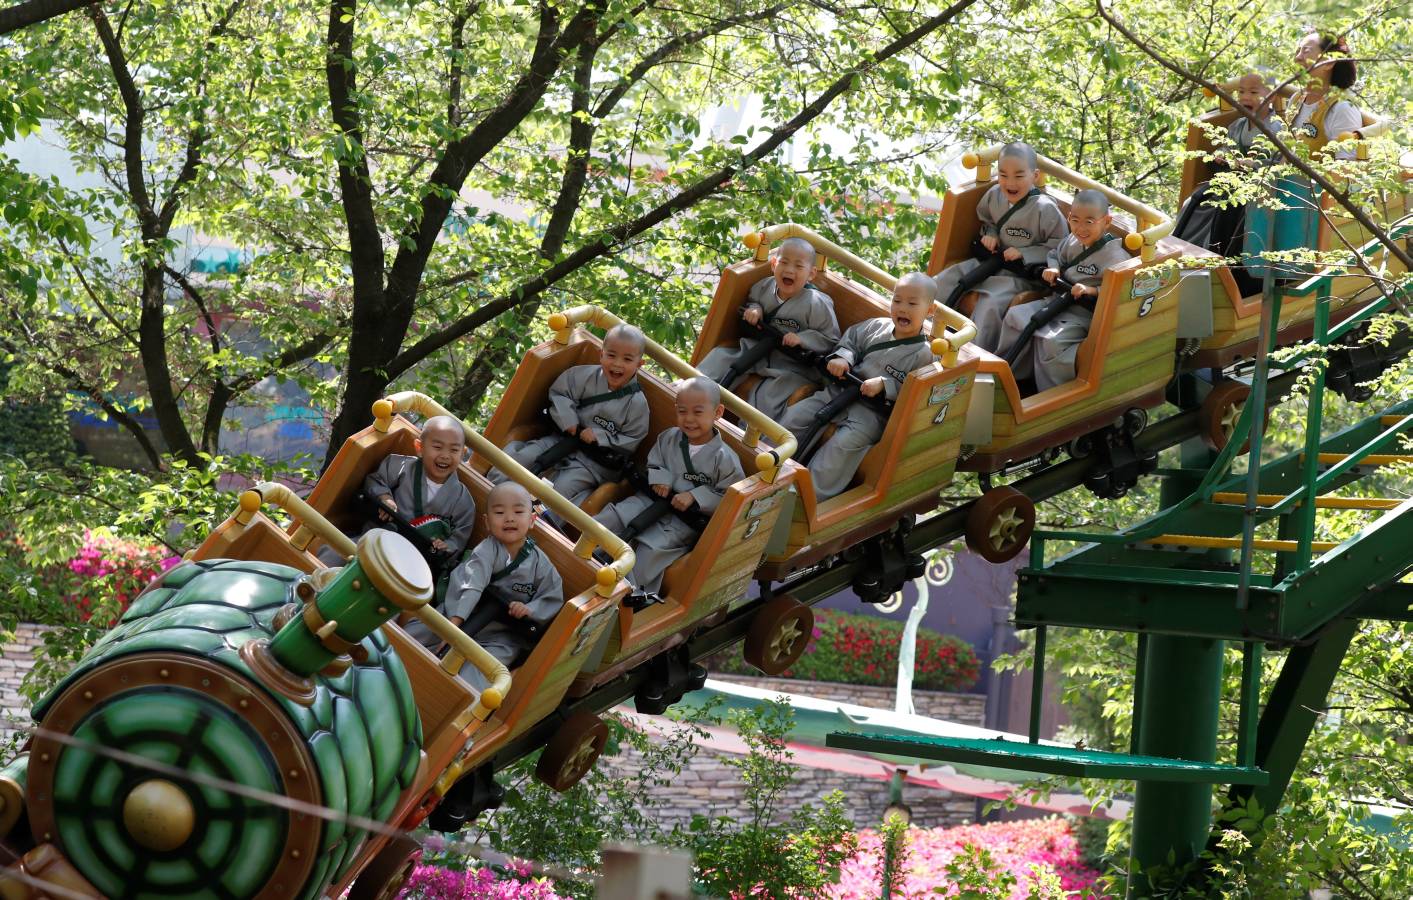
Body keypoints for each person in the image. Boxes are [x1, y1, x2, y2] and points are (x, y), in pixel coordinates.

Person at [780, 272, 939, 501]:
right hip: (840, 392)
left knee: (842, 447)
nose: (903, 309)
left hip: (871, 413)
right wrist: (844, 357)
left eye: (912, 303)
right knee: (796, 416)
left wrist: (886, 385)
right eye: (897, 301)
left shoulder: (925, 354)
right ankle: (768, 469)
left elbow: (916, 392)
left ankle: (805, 499)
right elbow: (851, 341)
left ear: (930, 310)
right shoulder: (876, 327)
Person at [592, 377, 744, 595]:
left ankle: (629, 594)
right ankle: (582, 559)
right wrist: (660, 477)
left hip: (681, 522)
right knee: (612, 518)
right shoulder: (669, 438)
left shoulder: (725, 459)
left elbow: (729, 497)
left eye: (698, 412)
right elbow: (655, 462)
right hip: (649, 501)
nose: (689, 419)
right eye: (682, 412)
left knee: (648, 551)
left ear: (718, 412)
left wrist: (695, 496)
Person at [406, 481, 564, 690]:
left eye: (518, 512)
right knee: (415, 635)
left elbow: (552, 596)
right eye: (499, 513)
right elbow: (472, 584)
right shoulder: (486, 550)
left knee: (478, 675)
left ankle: (452, 699)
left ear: (532, 520)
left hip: (501, 635)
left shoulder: (541, 564)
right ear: (487, 522)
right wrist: (454, 624)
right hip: (461, 615)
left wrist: (529, 609)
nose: (509, 518)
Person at [491, 323, 651, 510]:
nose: (617, 364)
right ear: (601, 354)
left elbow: (632, 438)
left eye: (627, 359)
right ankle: (489, 490)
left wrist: (600, 436)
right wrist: (569, 420)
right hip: (561, 439)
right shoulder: (583, 376)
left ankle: (535, 522)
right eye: (611, 355)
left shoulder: (638, 405)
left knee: (560, 491)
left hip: (591, 463)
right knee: (523, 458)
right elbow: (560, 393)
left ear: (639, 364)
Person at [932, 142, 1067, 352]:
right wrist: (991, 235)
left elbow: (1059, 245)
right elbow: (989, 221)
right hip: (991, 262)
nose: (1010, 183)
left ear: (1035, 176)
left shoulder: (1045, 208)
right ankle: (923, 333)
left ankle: (972, 355)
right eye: (1003, 175)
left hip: (1020, 275)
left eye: (1019, 176)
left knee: (990, 305)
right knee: (945, 280)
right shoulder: (994, 195)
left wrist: (1025, 252)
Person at [997, 190, 1132, 392]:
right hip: (1056, 301)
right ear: (1069, 217)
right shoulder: (1072, 241)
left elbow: (1119, 290)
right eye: (1075, 220)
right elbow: (1054, 254)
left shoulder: (1116, 256)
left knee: (1052, 342)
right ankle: (1009, 376)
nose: (1081, 228)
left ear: (1106, 221)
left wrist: (1092, 290)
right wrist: (1053, 268)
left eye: (1089, 222)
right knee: (1016, 316)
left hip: (1082, 315)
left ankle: (1049, 392)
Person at [696, 236, 841, 420]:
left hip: (792, 366)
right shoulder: (764, 286)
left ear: (811, 274)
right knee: (722, 357)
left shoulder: (817, 303)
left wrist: (803, 338)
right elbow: (753, 302)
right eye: (784, 263)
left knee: (771, 395)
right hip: (761, 348)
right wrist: (754, 309)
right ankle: (694, 394)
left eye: (798, 266)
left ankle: (752, 438)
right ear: (773, 264)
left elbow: (831, 339)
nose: (789, 270)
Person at [318, 414, 476, 567]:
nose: (445, 456)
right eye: (437, 447)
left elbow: (459, 537)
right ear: (419, 447)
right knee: (333, 552)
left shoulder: (463, 500)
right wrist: (385, 497)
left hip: (413, 562)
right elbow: (376, 480)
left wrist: (446, 546)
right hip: (376, 540)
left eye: (454, 450)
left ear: (462, 454)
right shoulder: (401, 466)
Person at [1288, 31, 1362, 160]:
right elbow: (1285, 157)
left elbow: (1345, 171)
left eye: (1305, 51)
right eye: (1298, 51)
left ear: (1328, 62)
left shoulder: (1342, 108)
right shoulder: (1296, 99)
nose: (1297, 58)